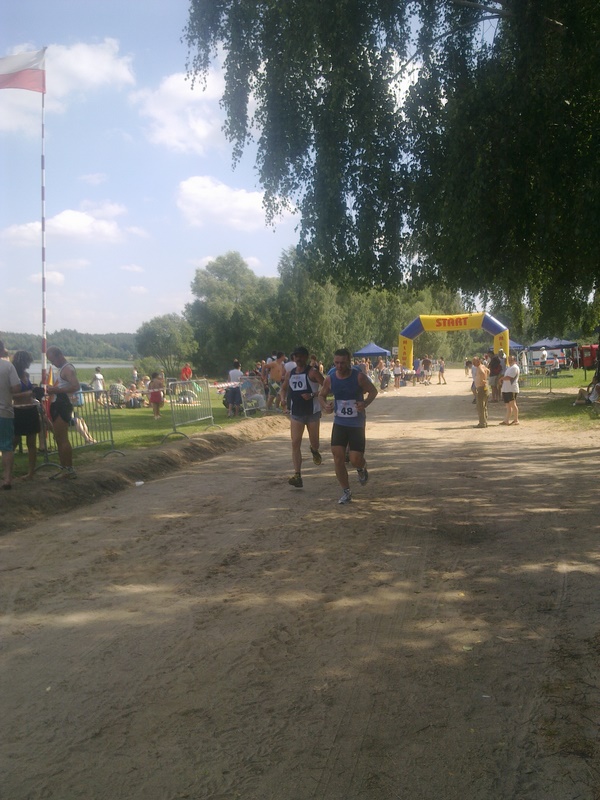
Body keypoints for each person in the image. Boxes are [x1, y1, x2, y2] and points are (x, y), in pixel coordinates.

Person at [319, 348, 378, 504]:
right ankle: (346, 492)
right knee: (338, 457)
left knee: (355, 459)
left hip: (356, 423)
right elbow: (321, 395)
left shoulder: (359, 377)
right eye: (336, 363)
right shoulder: (330, 379)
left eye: (342, 363)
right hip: (340, 422)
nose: (339, 366)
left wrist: (365, 403)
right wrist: (325, 406)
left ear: (349, 362)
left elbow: (373, 391)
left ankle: (361, 467)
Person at [279, 346, 325, 488]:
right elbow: (283, 388)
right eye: (296, 356)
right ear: (293, 358)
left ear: (306, 357)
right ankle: (297, 475)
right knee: (295, 443)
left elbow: (327, 388)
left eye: (301, 356)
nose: (298, 359)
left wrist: (312, 394)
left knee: (315, 442)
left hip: (312, 413)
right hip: (296, 413)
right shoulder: (290, 374)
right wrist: (283, 399)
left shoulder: (313, 372)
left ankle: (314, 450)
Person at [46, 345, 80, 479]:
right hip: (59, 404)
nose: (52, 363)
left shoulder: (67, 369)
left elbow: (76, 386)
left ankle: (69, 469)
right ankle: (64, 468)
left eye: (53, 360)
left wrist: (56, 390)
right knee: (58, 438)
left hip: (63, 405)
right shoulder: (62, 369)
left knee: (62, 438)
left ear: (59, 356)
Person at [12, 350, 42, 480]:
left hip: (31, 410)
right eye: (28, 362)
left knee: (32, 443)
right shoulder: (13, 375)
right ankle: (8, 471)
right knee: (13, 442)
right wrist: (28, 393)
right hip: (18, 410)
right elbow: (11, 395)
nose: (29, 364)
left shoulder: (26, 374)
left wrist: (34, 392)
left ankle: (31, 472)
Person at [0, 341, 23, 489]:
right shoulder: (8, 366)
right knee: (6, 446)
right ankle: (7, 478)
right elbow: (16, 388)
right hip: (4, 411)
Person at [500, 354, 520, 425]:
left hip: (512, 389)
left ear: (514, 360)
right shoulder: (509, 367)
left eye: (511, 359)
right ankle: (506, 420)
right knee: (508, 406)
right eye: (509, 359)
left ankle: (516, 420)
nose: (510, 361)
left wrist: (501, 379)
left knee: (513, 404)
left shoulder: (515, 367)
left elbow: (509, 377)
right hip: (506, 389)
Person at [472, 355, 489, 428]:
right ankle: (485, 421)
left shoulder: (480, 368)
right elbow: (488, 371)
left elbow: (482, 373)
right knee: (484, 406)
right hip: (483, 387)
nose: (473, 363)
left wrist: (483, 380)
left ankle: (482, 423)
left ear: (478, 361)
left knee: (481, 406)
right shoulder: (483, 366)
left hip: (481, 388)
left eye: (474, 361)